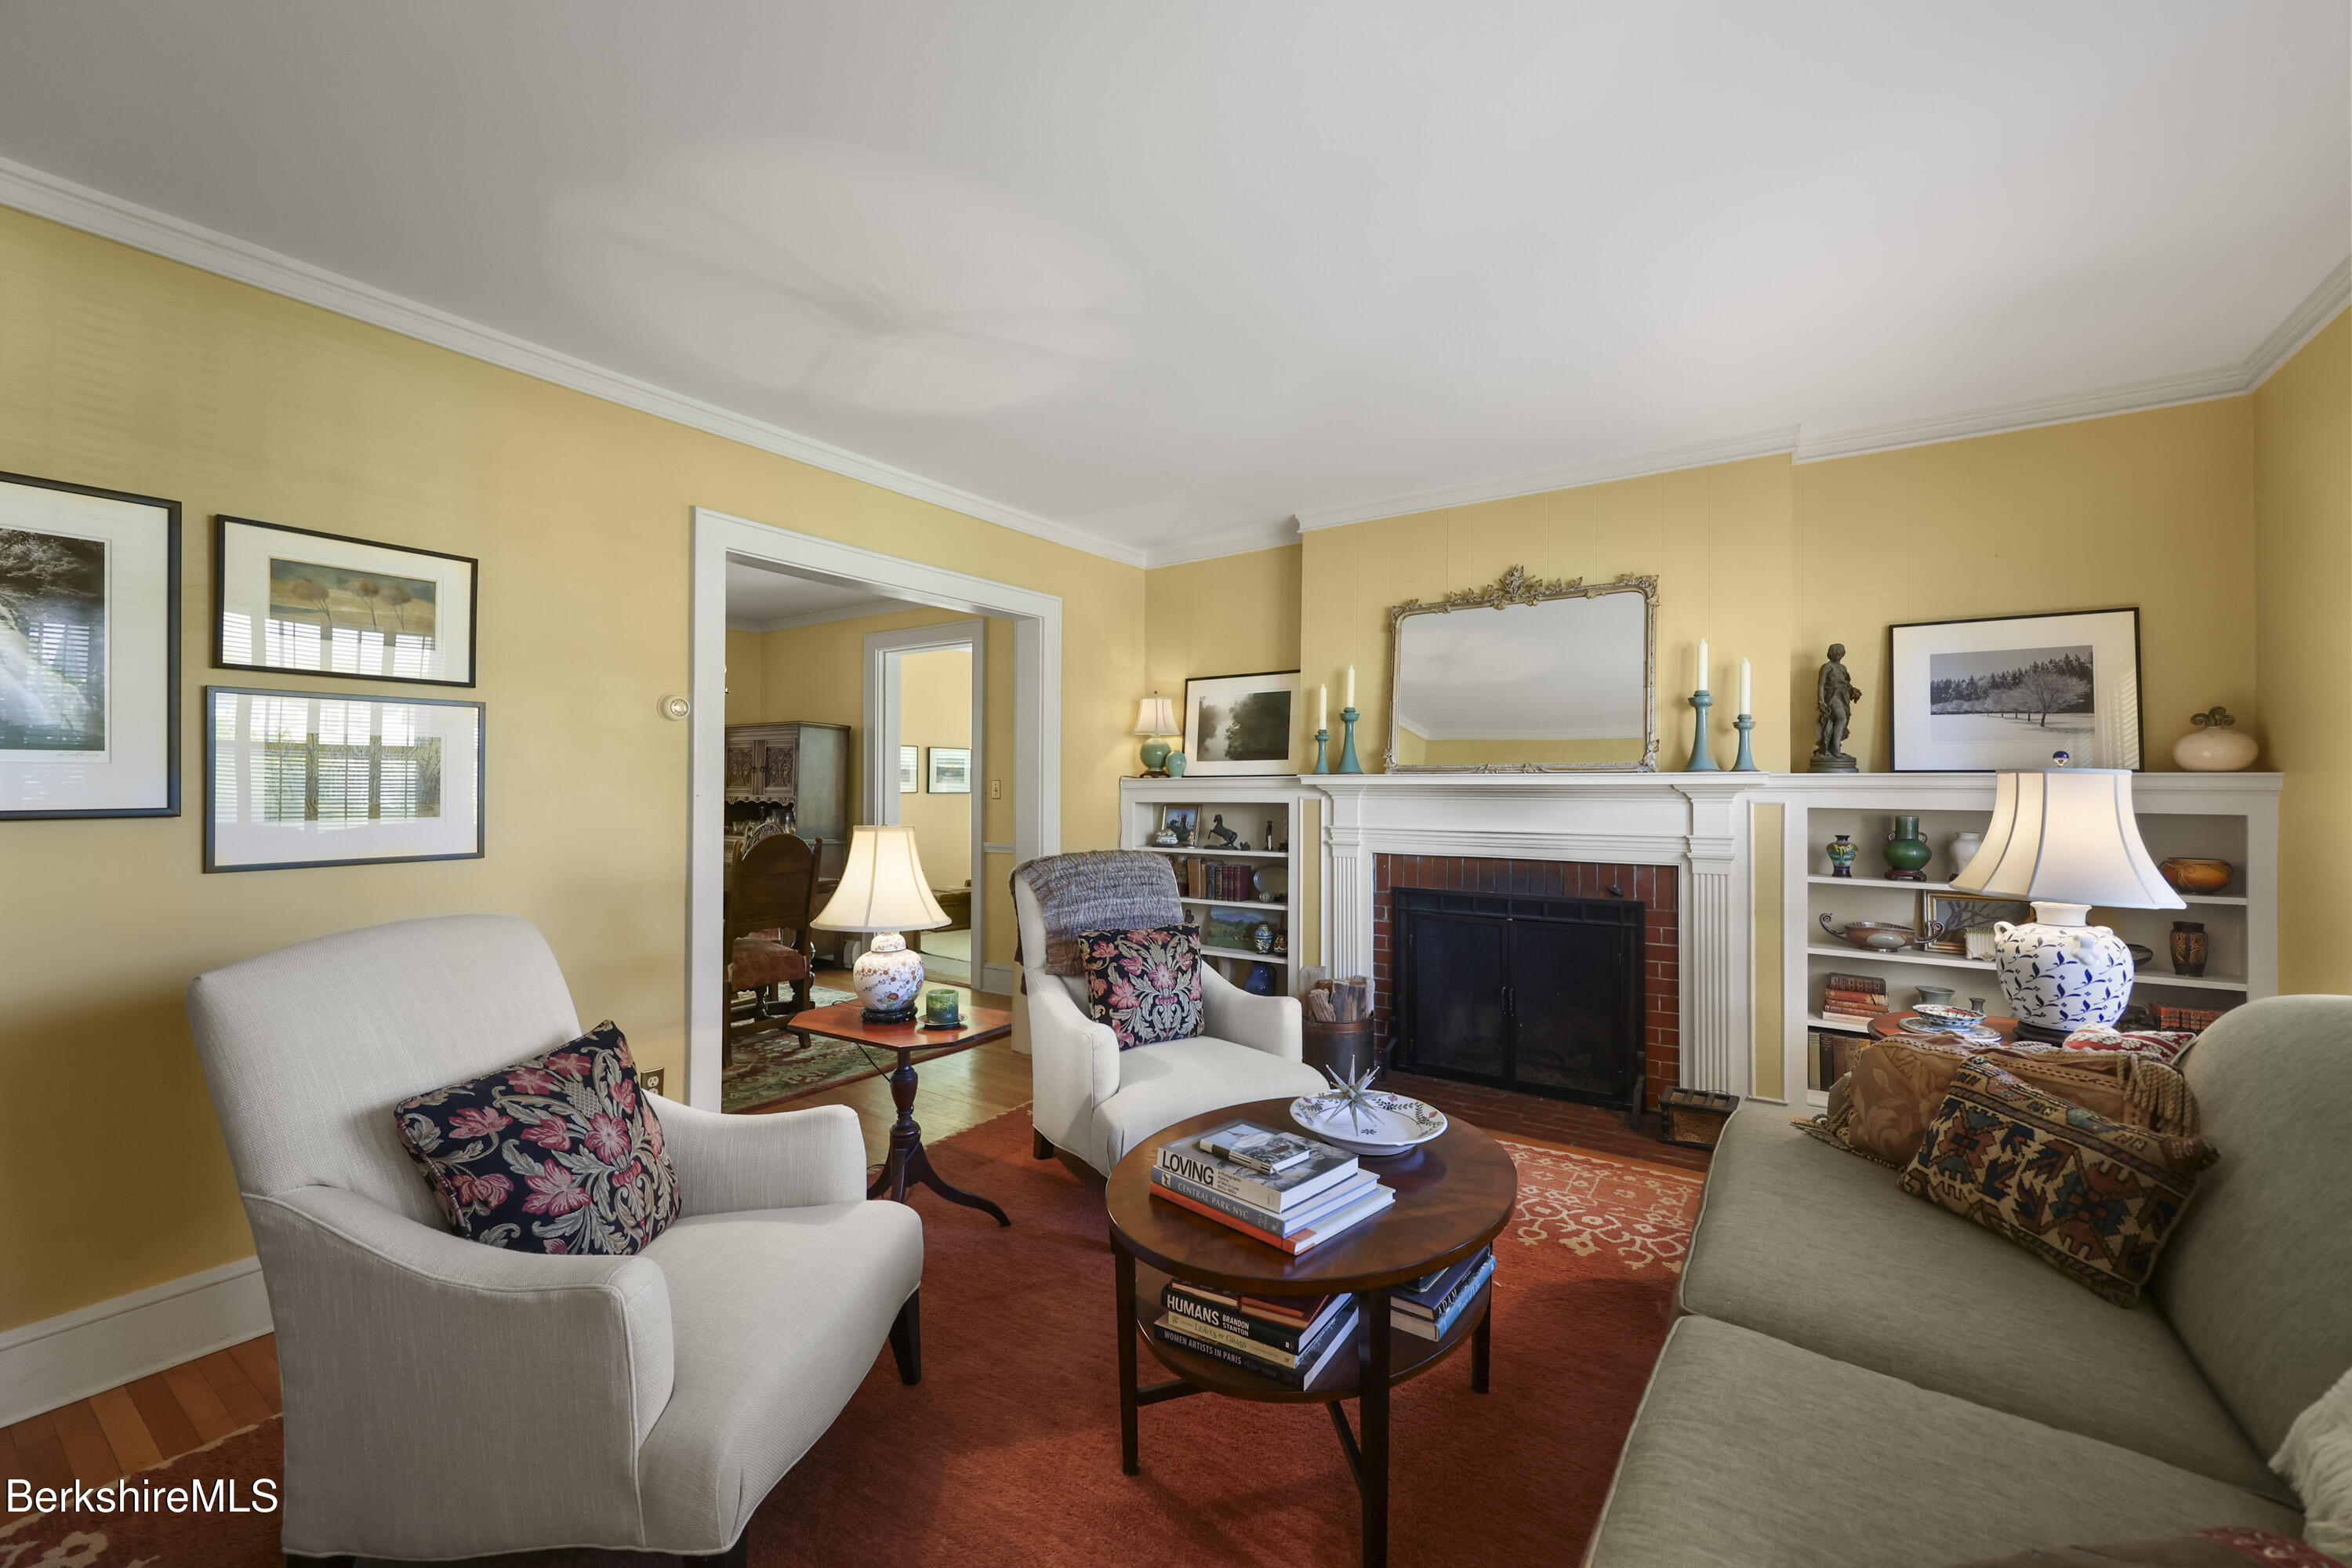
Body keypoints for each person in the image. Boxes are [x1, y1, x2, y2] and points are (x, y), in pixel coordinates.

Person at [1813, 644, 1860, 770]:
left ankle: (1834, 747)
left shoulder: (1843, 668)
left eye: (1840, 653)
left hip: (1843, 697)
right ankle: (1836, 749)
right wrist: (1821, 701)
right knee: (1841, 718)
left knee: (1843, 720)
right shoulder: (1826, 667)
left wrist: (1854, 691)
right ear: (1831, 653)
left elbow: (1847, 683)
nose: (1838, 655)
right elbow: (1821, 685)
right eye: (1836, 653)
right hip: (1832, 696)